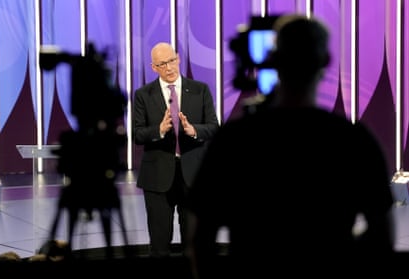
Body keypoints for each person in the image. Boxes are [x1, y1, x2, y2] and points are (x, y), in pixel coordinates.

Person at [186, 14, 395, 278]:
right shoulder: (353, 140)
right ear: (325, 62)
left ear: (273, 60)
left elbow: (201, 238)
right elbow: (382, 236)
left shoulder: (235, 140)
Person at [132, 42, 219, 258]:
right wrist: (159, 130)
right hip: (157, 177)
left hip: (194, 176)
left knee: (194, 244)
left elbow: (213, 127)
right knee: (160, 245)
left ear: (178, 58)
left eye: (171, 61)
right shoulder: (143, 94)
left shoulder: (200, 90)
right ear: (154, 67)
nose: (169, 68)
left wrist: (193, 130)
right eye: (162, 64)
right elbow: (137, 134)